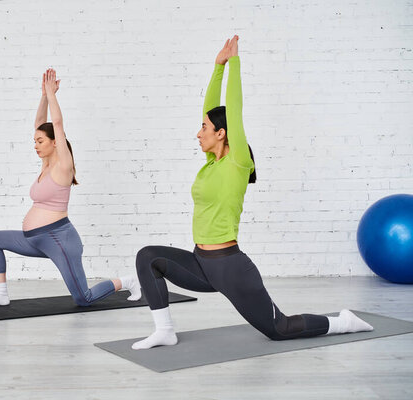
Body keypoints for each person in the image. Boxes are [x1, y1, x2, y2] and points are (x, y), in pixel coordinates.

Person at [131, 36, 373, 350]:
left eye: (204, 128)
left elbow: (233, 109)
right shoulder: (211, 163)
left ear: (222, 133)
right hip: (201, 262)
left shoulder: (237, 161)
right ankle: (164, 331)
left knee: (279, 329)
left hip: (229, 267)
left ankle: (343, 323)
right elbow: (211, 109)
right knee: (148, 257)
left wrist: (234, 64)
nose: (198, 132)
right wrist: (216, 67)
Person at [0, 68, 141, 308]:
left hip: (59, 240)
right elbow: (40, 123)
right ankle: (1, 293)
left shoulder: (63, 166)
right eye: (35, 141)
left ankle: (127, 281)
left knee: (83, 298)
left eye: (40, 141)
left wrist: (53, 95)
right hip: (33, 239)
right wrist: (43, 95)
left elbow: (57, 125)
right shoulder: (45, 164)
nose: (35, 145)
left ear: (56, 143)